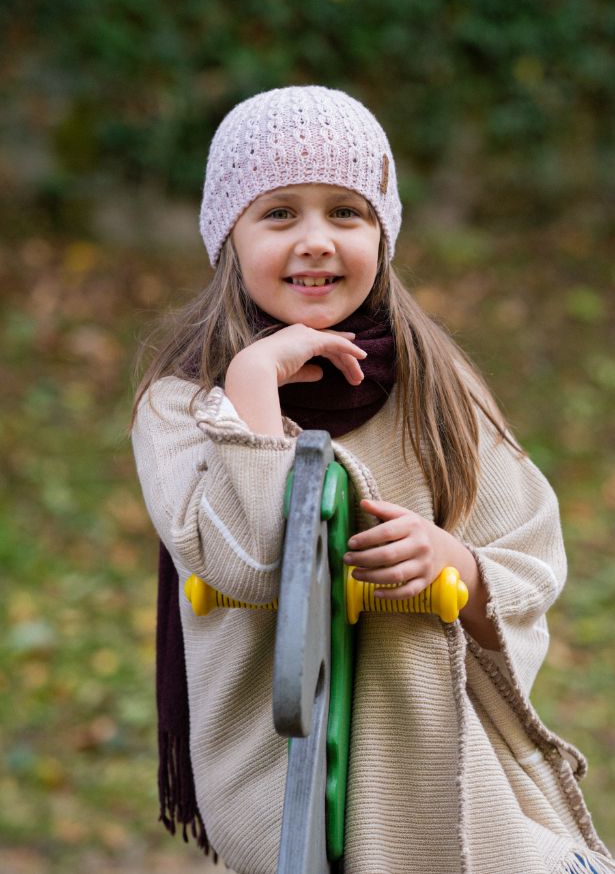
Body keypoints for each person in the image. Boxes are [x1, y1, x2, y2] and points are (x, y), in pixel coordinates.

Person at [130, 86, 613, 874]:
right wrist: (254, 384)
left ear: (382, 235)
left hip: (455, 795)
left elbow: (529, 552)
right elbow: (249, 567)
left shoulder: (433, 383)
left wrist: (453, 566)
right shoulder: (185, 404)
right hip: (286, 795)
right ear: (227, 236)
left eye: (346, 213)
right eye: (279, 213)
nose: (315, 240)